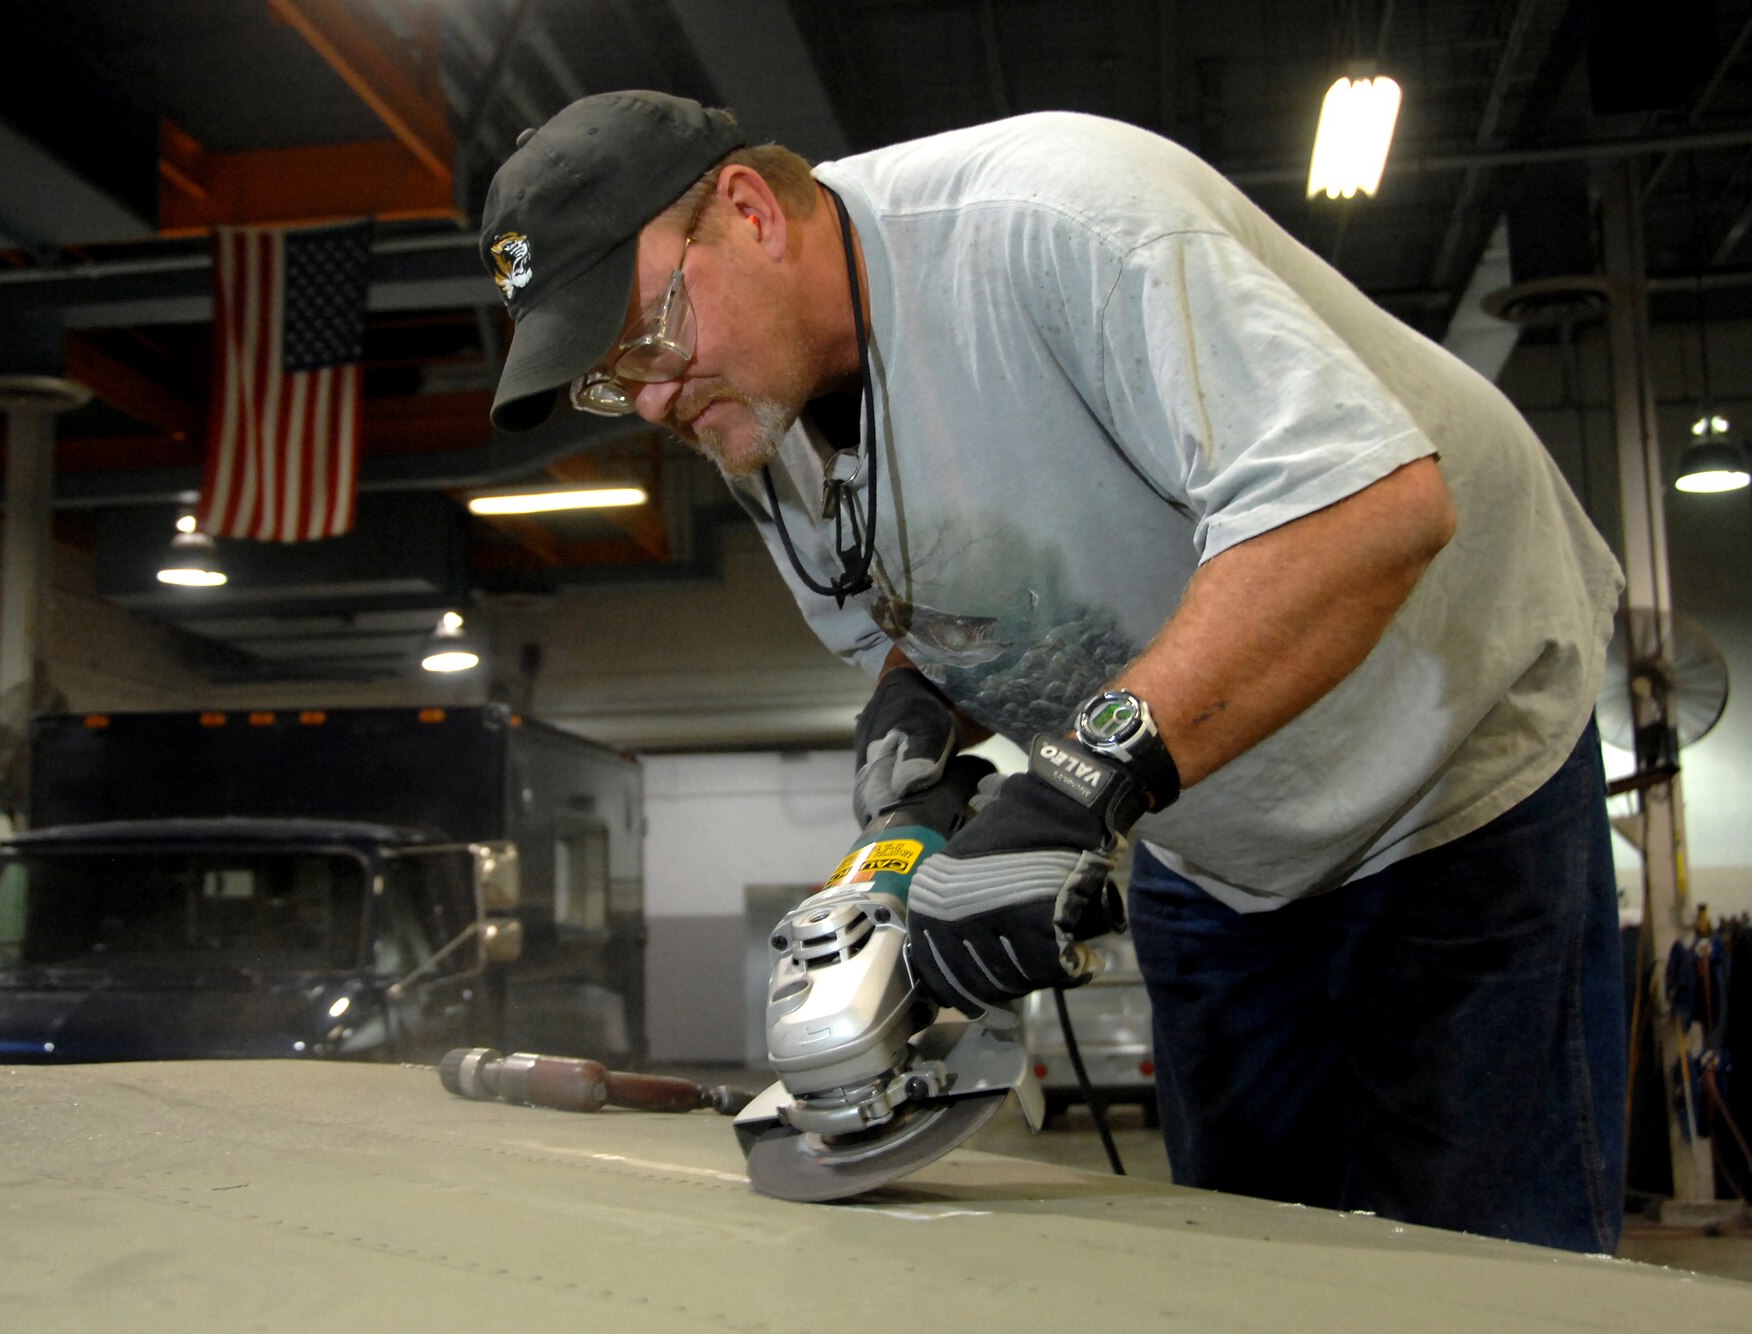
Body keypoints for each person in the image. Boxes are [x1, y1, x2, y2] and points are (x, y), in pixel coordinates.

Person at [480, 90, 1626, 1253]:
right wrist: (915, 708)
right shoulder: (751, 404)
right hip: (1211, 833)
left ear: (746, 211)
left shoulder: (1055, 218)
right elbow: (922, 600)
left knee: (1485, 1268)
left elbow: (1366, 511)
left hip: (1445, 769)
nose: (655, 398)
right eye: (611, 381)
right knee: (1260, 1254)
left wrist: (1079, 779)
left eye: (650, 337)